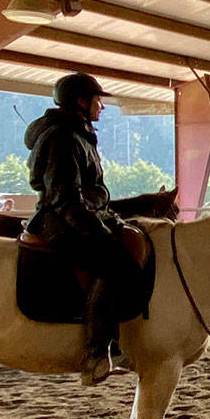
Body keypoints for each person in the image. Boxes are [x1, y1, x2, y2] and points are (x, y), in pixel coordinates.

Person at [24, 72, 131, 385]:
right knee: (113, 262)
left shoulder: (77, 134)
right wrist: (95, 229)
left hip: (71, 213)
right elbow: (66, 197)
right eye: (98, 100)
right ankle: (96, 351)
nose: (102, 107)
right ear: (81, 102)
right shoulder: (63, 138)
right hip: (60, 219)